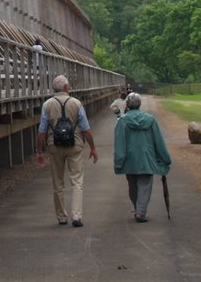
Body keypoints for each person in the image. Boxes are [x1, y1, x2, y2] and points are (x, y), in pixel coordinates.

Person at [36, 75, 99, 227]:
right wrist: (92, 147)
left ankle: (61, 216)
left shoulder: (47, 105)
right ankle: (76, 216)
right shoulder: (76, 103)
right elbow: (86, 129)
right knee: (77, 181)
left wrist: (40, 151)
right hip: (75, 144)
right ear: (66, 88)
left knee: (57, 182)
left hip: (54, 145)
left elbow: (42, 131)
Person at [113, 92, 171, 222]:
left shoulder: (122, 121)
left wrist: (119, 161)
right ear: (139, 104)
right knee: (145, 185)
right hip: (146, 158)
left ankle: (137, 208)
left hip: (129, 160)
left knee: (132, 185)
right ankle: (141, 212)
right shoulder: (150, 120)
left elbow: (120, 144)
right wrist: (165, 158)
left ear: (127, 104)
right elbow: (158, 141)